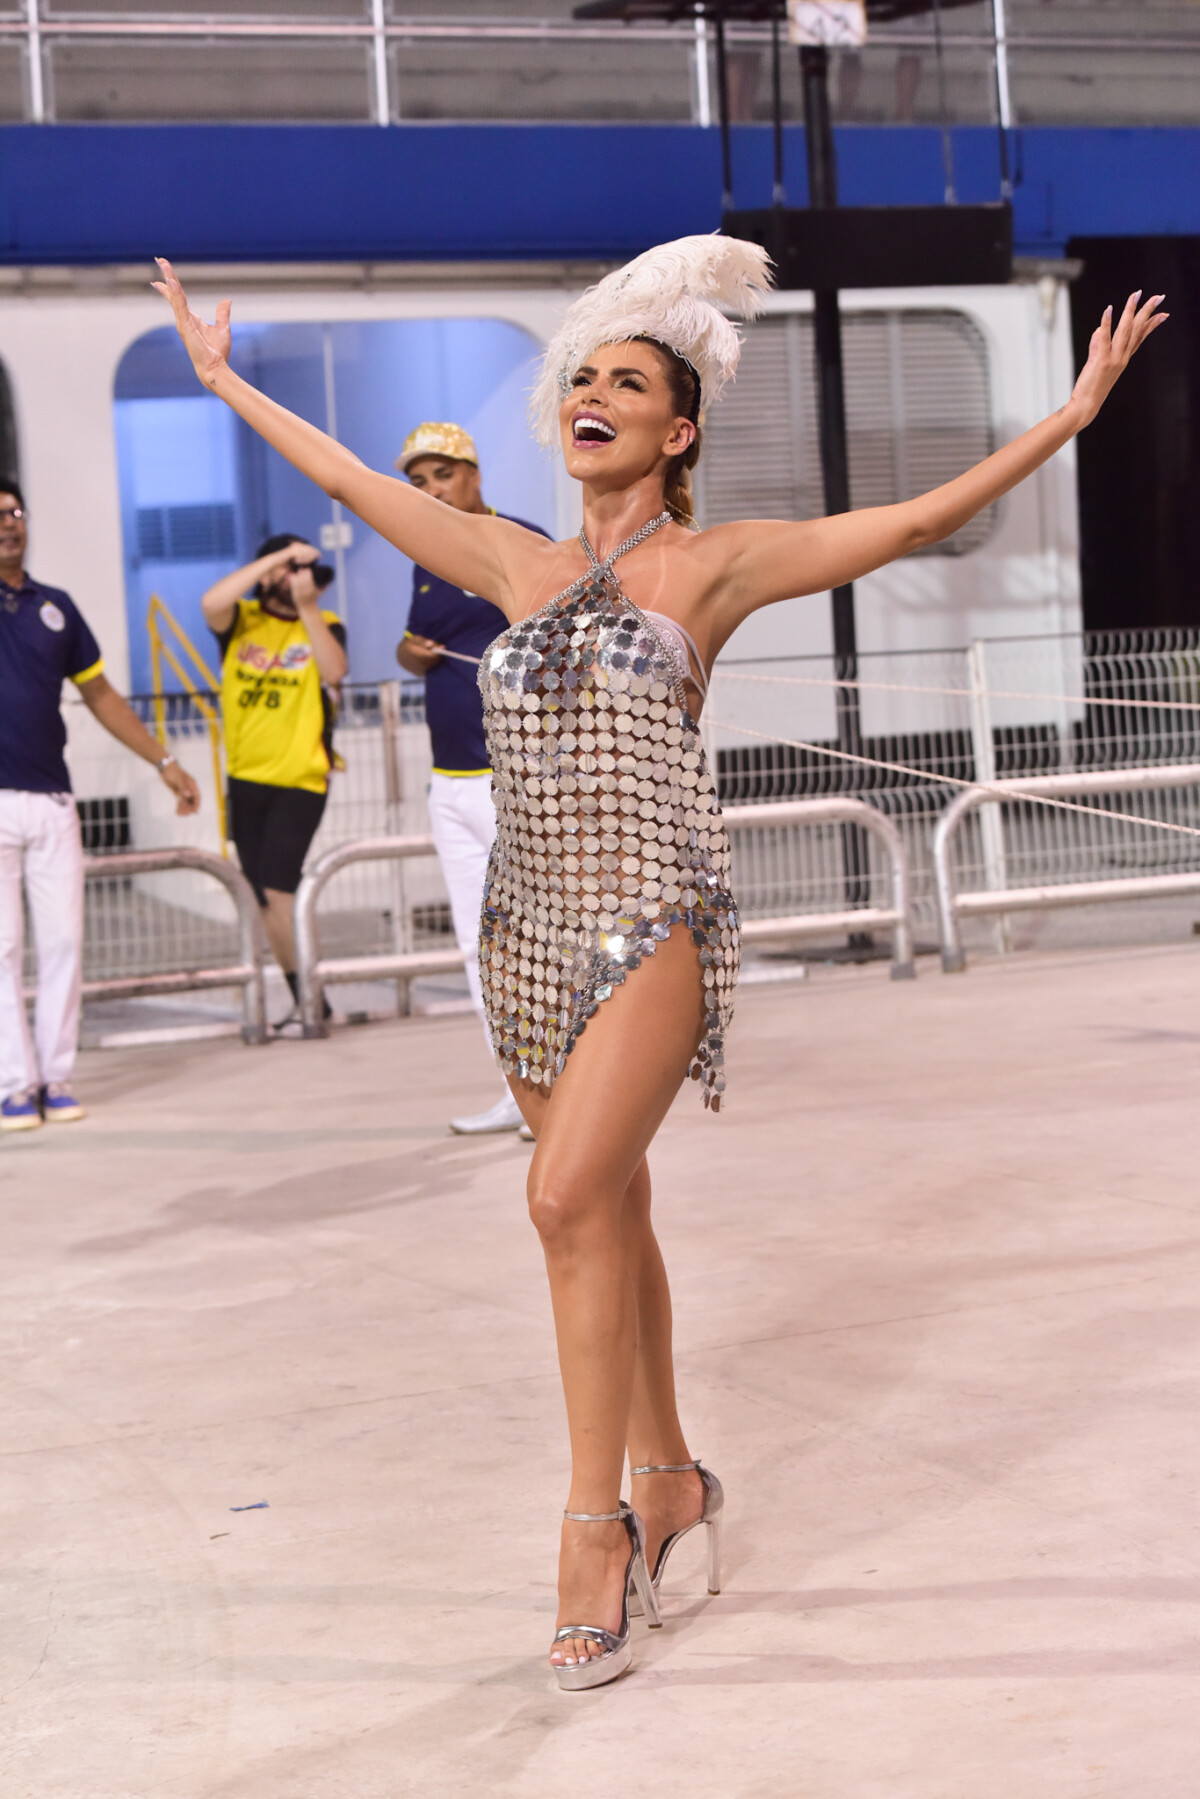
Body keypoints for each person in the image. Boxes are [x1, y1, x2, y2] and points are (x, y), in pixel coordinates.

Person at [155, 245, 1165, 1688]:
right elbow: (362, 486)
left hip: (651, 920)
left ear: (677, 428)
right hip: (525, 932)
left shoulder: (718, 562)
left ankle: (597, 1524)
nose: (592, 391)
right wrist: (221, 378)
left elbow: (914, 515)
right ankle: (678, 1471)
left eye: (627, 380)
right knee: (610, 1214)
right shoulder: (513, 557)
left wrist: (1070, 418)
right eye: (583, 374)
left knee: (559, 1193)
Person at [0, 479, 201, 1131]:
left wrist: (164, 761)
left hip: (53, 801)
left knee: (63, 941)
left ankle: (55, 1077)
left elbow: (104, 696)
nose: (8, 524)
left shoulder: (55, 608)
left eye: (14, 513)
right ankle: (12, 1083)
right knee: (1, 947)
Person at [394, 421, 551, 1135]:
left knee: (533, 933)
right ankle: (515, 1085)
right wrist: (411, 652)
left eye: (443, 476)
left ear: (474, 474)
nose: (431, 492)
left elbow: (561, 635)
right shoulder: (423, 554)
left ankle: (561, 1084)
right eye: (418, 482)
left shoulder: (518, 537)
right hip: (447, 778)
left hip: (511, 774)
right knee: (474, 942)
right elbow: (419, 642)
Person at [201, 535, 347, 1035]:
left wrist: (306, 606)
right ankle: (305, 997)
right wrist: (274, 560)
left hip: (301, 778)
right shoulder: (241, 621)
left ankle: (314, 1000)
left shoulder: (325, 625)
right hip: (245, 780)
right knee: (264, 900)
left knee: (280, 891)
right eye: (289, 567)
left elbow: (335, 670)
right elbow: (211, 603)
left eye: (305, 566)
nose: (298, 574)